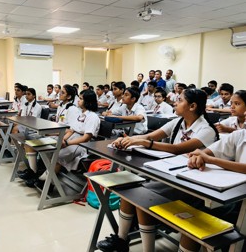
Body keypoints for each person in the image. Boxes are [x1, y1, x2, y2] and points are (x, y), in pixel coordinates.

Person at [97, 88, 218, 252]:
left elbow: (177, 149)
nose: (175, 102)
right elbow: (151, 136)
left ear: (192, 106)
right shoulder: (178, 122)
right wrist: (130, 139)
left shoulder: (207, 130)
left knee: (141, 196)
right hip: (170, 174)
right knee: (128, 188)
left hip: (191, 183)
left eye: (180, 100)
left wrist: (147, 144)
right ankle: (121, 239)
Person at [35, 90, 100, 189]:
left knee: (58, 155)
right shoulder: (81, 114)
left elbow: (86, 137)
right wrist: (62, 140)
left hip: (83, 144)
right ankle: (49, 179)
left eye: (81, 99)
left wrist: (67, 142)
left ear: (88, 101)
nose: (78, 100)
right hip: (73, 138)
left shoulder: (93, 117)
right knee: (50, 149)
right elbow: (71, 130)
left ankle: (46, 181)